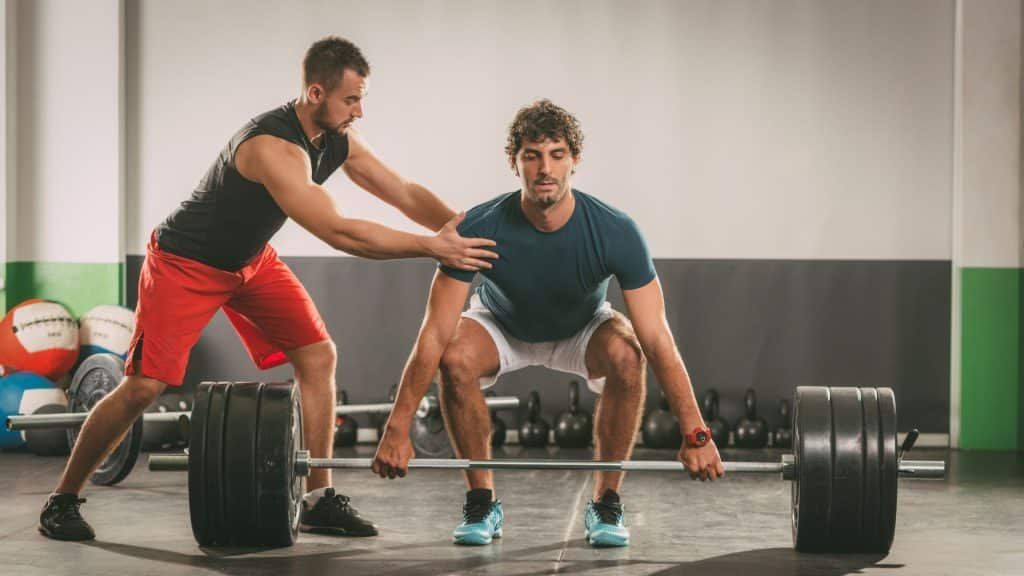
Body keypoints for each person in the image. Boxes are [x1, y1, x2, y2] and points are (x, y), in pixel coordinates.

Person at [38, 36, 497, 542]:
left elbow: (403, 191)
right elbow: (340, 232)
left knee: (318, 355)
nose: (359, 111)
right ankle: (63, 500)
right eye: (351, 99)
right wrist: (435, 248)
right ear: (316, 92)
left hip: (250, 263)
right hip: (184, 264)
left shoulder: (337, 137)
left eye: (362, 98)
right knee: (145, 386)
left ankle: (319, 497)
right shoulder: (270, 147)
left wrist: (472, 233)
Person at [372, 99, 724, 547]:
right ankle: (481, 502)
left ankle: (606, 503)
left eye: (557, 155)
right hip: (501, 323)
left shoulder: (616, 230)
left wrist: (696, 434)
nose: (545, 168)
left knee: (628, 352)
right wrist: (398, 428)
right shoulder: (478, 226)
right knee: (455, 354)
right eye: (532, 155)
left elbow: (658, 339)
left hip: (581, 326)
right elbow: (434, 334)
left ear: (574, 161)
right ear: (513, 162)